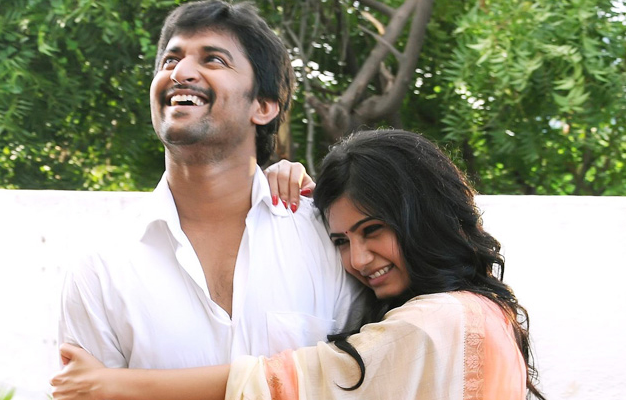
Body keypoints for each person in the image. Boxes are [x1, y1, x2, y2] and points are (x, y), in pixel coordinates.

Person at [51, 129, 546, 400]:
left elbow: (299, 379)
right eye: (340, 240)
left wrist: (113, 385)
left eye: (374, 230)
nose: (358, 259)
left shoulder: (444, 320)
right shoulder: (478, 315)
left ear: (423, 216)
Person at [58, 0, 365, 372]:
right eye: (170, 60)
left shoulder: (330, 240)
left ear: (264, 105)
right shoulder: (101, 266)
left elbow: (368, 381)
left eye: (213, 60)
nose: (180, 72)